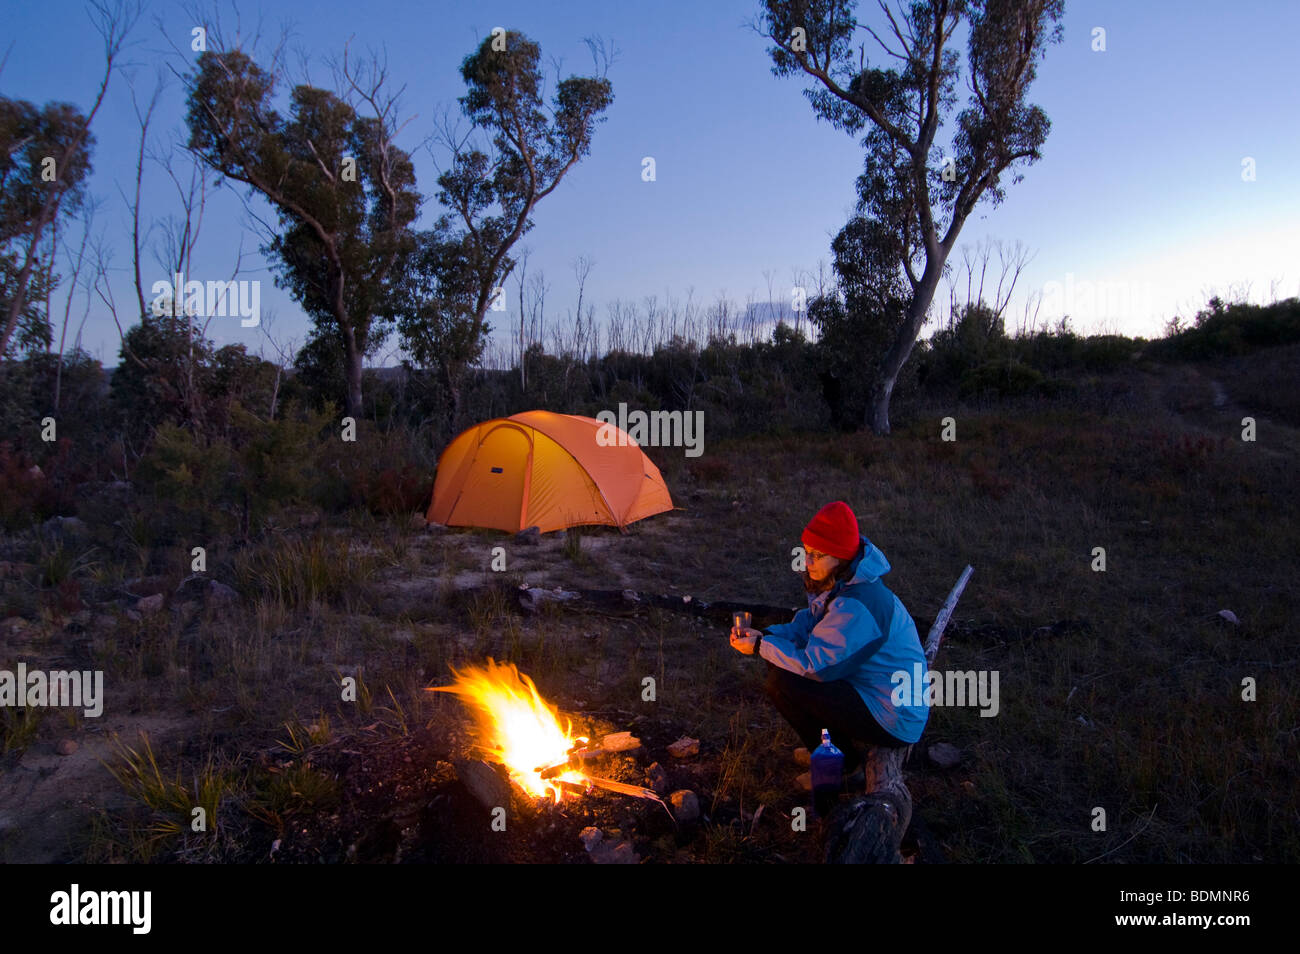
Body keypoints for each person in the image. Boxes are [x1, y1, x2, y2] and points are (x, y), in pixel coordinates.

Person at [729, 500, 929, 782]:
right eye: (807, 552)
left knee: (784, 683)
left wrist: (762, 647)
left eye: (817, 555)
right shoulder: (844, 583)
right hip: (878, 689)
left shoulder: (858, 604)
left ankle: (842, 766)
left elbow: (816, 666)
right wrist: (769, 636)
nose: (807, 562)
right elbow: (810, 625)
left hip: (896, 715)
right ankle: (831, 749)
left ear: (841, 557)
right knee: (783, 669)